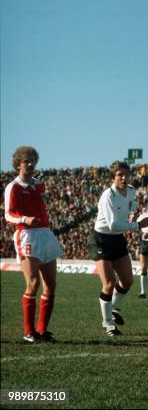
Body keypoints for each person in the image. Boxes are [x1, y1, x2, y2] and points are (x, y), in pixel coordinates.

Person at [4, 146, 64, 343]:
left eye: (32, 161)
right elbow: (8, 215)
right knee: (33, 283)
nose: (30, 164)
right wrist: (24, 219)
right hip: (26, 234)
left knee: (51, 285)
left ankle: (42, 331)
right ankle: (28, 332)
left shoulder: (39, 185)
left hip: (45, 234)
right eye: (26, 161)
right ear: (18, 164)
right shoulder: (13, 187)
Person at [87, 161, 148, 337]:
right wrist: (137, 225)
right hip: (100, 239)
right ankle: (108, 323)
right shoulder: (107, 195)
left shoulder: (131, 190)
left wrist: (133, 213)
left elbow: (130, 207)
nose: (123, 177)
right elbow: (113, 224)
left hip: (117, 239)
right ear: (113, 177)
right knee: (108, 283)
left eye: (125, 174)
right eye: (119, 175)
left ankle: (113, 308)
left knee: (127, 281)